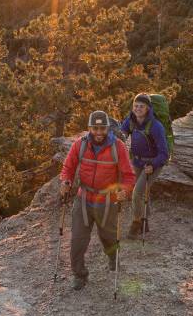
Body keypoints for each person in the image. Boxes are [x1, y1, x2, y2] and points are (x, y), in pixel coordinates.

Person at [60, 110, 136, 290]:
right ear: (89, 128)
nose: (99, 132)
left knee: (108, 237)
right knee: (78, 240)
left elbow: (128, 176)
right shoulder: (80, 145)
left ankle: (113, 257)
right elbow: (68, 167)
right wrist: (65, 181)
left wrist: (124, 191)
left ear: (107, 128)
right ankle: (79, 275)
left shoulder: (118, 147)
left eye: (102, 128)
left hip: (107, 201)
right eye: (95, 128)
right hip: (83, 199)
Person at [120, 93, 169, 239]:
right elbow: (121, 133)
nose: (138, 108)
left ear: (148, 108)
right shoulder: (130, 120)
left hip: (153, 164)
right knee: (143, 192)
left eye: (141, 106)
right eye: (136, 105)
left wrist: (153, 165)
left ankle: (136, 223)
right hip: (138, 162)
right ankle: (145, 221)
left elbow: (164, 154)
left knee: (137, 193)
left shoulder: (156, 126)